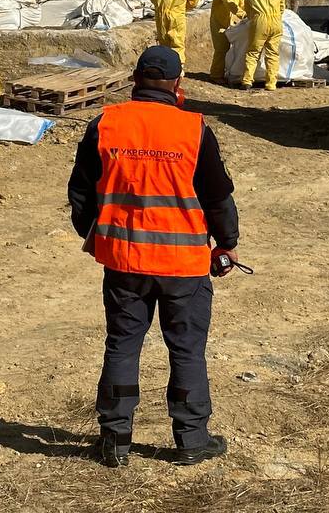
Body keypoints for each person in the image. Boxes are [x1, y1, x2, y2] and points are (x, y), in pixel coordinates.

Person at [68, 45, 240, 468]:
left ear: (135, 79)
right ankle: (191, 440)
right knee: (186, 350)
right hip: (184, 267)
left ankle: (115, 442)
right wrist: (227, 242)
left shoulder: (105, 125)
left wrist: (98, 236)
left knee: (122, 347)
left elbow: (80, 194)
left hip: (125, 263)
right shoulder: (194, 129)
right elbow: (218, 197)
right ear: (177, 85)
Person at [240, 0, 285, 91]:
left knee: (253, 52)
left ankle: (247, 81)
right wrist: (275, 16)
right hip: (276, 22)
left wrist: (251, 17)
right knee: (273, 54)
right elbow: (282, 8)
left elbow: (247, 5)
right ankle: (271, 84)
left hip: (259, 21)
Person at [209, 0, 245, 81]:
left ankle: (225, 71)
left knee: (230, 49)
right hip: (218, 22)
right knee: (221, 48)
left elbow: (243, 5)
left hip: (230, 23)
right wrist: (243, 15)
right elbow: (231, 4)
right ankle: (215, 75)